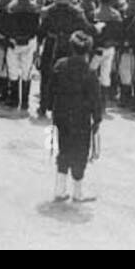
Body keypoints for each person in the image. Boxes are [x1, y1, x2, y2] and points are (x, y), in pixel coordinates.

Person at [50, 30, 103, 204]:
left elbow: (51, 89)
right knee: (80, 152)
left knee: (63, 149)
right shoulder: (89, 71)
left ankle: (59, 190)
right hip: (81, 118)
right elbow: (96, 97)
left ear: (70, 47)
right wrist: (97, 119)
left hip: (61, 115)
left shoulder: (60, 65)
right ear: (88, 50)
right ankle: (78, 193)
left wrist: (51, 109)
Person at [4, 0, 40, 113]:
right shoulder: (34, 7)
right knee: (26, 72)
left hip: (14, 43)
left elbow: (6, 28)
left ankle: (14, 100)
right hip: (29, 42)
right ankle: (25, 102)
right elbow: (36, 29)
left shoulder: (11, 7)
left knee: (13, 72)